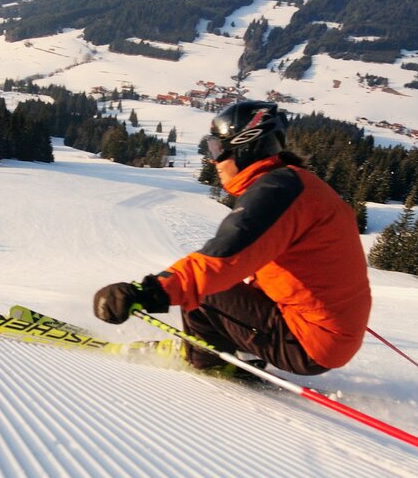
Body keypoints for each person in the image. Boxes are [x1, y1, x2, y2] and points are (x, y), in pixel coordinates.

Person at [93, 100, 372, 377]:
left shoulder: (276, 191)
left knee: (207, 290)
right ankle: (242, 351)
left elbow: (223, 259)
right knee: (223, 285)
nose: (213, 160)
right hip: (325, 329)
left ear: (245, 146)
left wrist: (146, 292)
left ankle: (205, 360)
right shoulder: (296, 184)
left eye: (216, 148)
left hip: (309, 342)